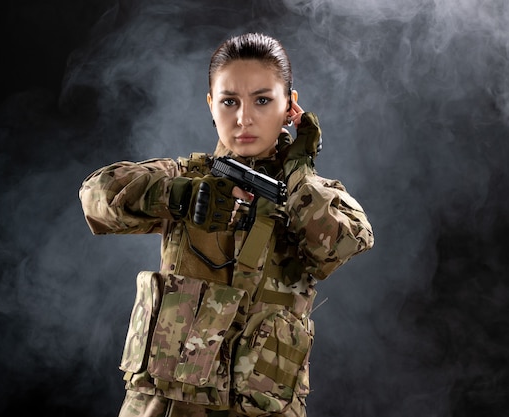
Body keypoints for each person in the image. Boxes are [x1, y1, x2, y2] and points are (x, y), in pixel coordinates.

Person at [79, 32, 374, 417]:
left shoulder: (312, 197)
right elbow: (96, 196)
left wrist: (298, 171)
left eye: (263, 100)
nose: (244, 118)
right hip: (167, 406)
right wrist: (184, 196)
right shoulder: (186, 176)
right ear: (210, 105)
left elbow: (334, 247)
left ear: (290, 107)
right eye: (229, 101)